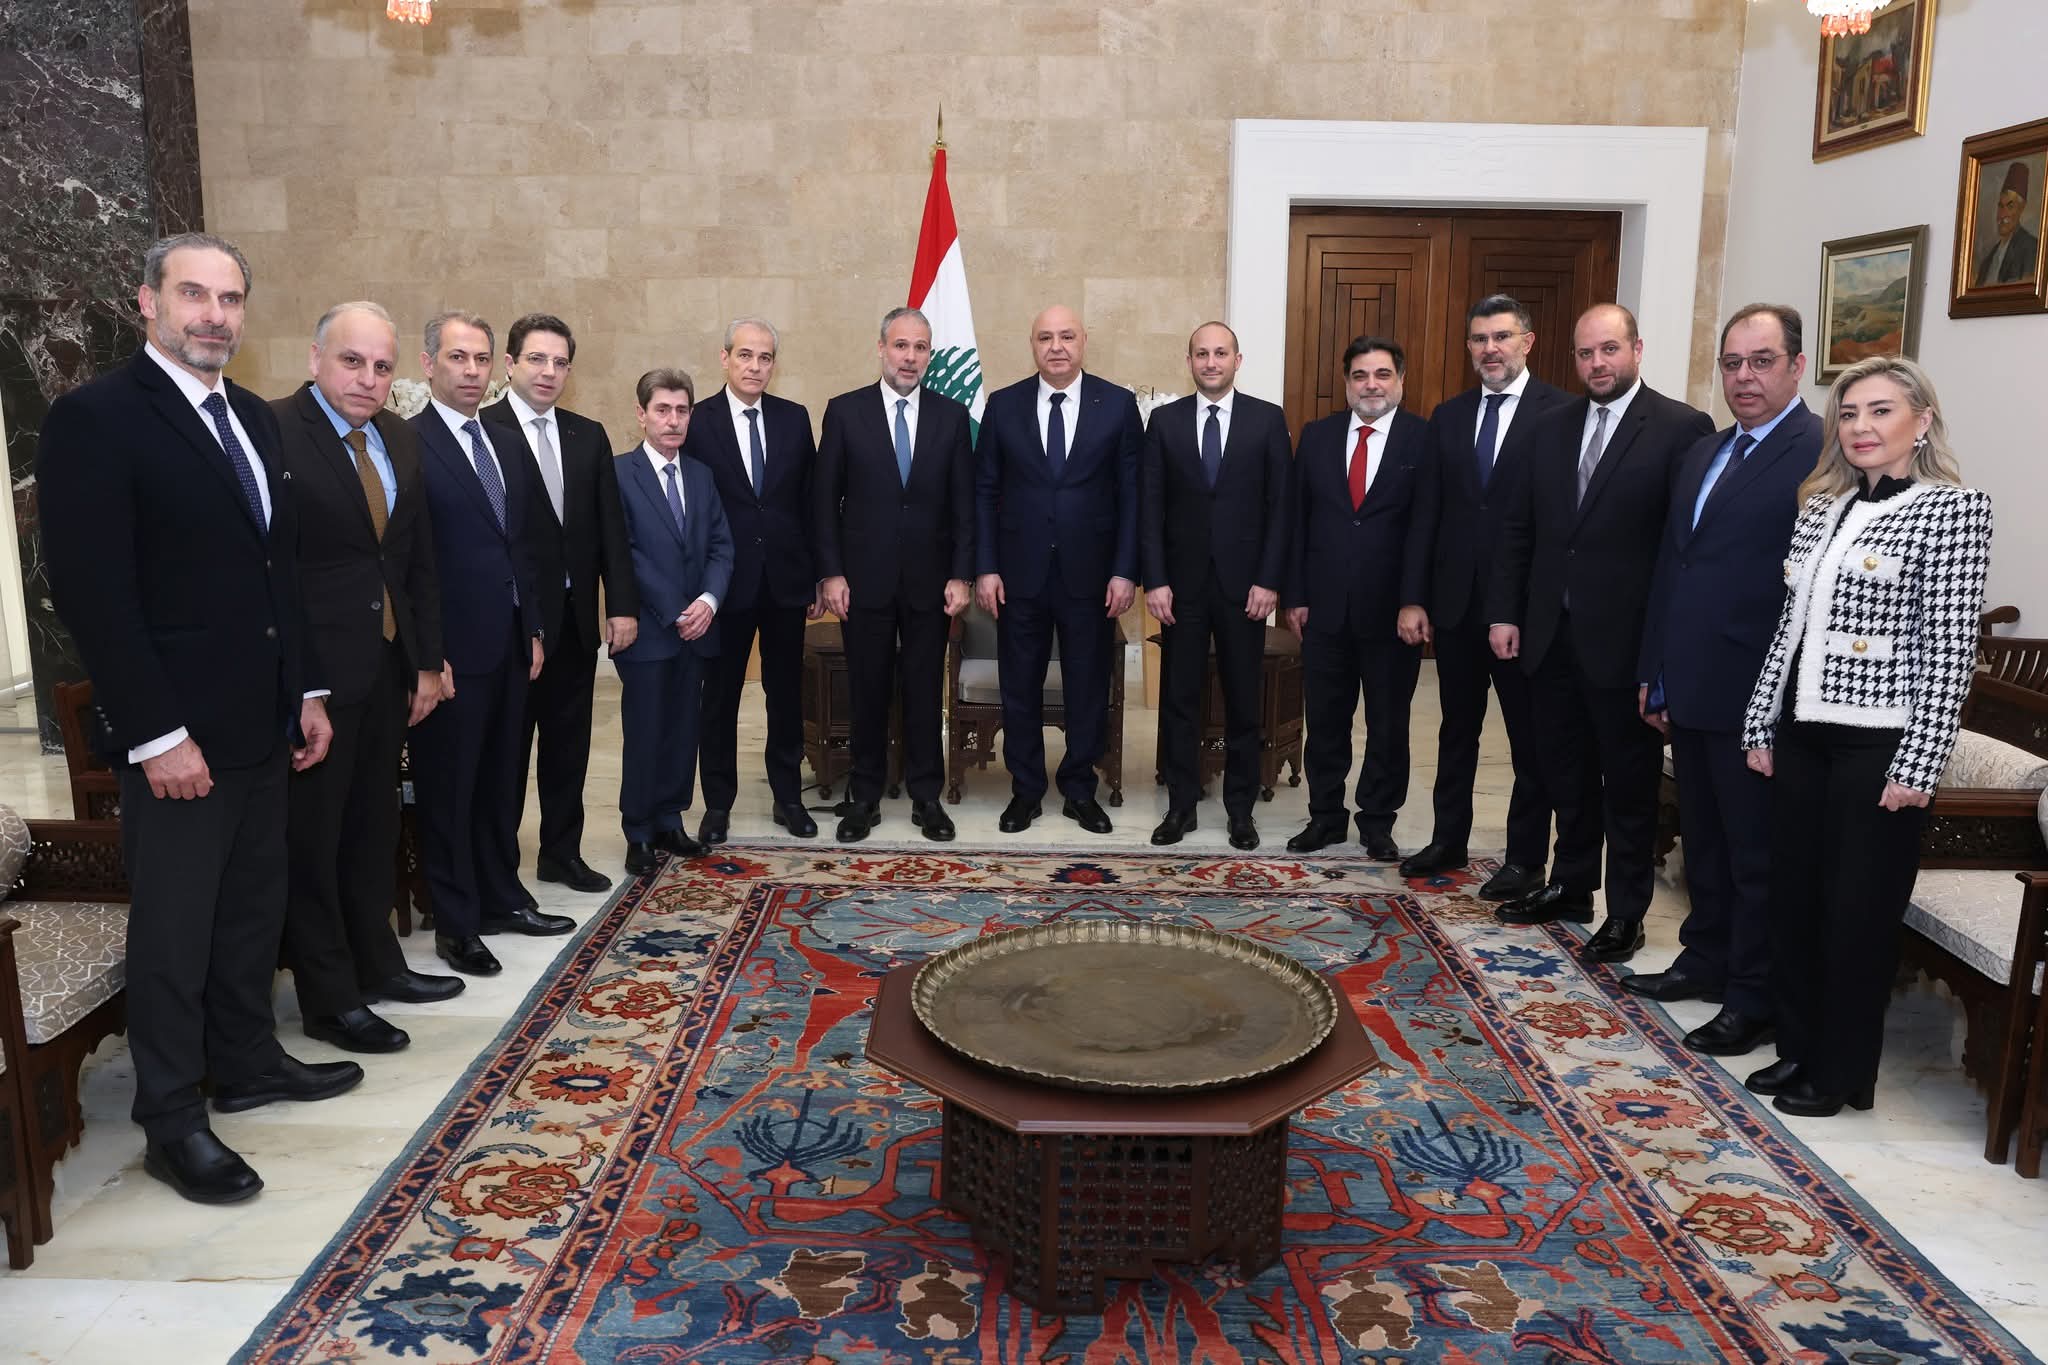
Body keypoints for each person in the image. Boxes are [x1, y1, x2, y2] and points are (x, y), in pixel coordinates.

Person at [38, 232, 358, 1205]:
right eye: (193, 295)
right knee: (175, 934)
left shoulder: (252, 417)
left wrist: (305, 690)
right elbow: (95, 594)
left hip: (264, 720)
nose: (214, 316)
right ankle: (173, 1119)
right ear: (148, 301)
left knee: (251, 910)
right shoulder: (96, 418)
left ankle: (248, 1061)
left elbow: (277, 571)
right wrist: (155, 734)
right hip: (177, 735)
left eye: (229, 299)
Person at [1742, 356, 1992, 1117]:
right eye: (1848, 414)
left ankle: (1842, 1070)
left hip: (1878, 742)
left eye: (1881, 411)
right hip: (1803, 731)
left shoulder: (1953, 510)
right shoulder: (1822, 506)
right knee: (1795, 901)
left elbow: (1950, 653)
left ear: (1921, 421)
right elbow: (1789, 629)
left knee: (1856, 912)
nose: (1861, 427)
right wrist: (1761, 719)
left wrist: (1920, 761)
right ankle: (1799, 1047)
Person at [1488, 304, 1713, 963]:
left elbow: (1681, 549)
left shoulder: (1680, 428)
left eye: (1609, 349)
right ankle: (1571, 884)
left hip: (1627, 643)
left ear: (1636, 350)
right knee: (1566, 773)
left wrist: (1664, 654)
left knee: (1630, 786)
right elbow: (1520, 528)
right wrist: (1506, 612)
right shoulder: (1551, 427)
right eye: (1586, 353)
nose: (1597, 363)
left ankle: (1626, 912)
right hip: (1550, 636)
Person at [1626, 304, 1822, 1058]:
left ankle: (1752, 995)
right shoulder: (1706, 450)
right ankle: (1705, 958)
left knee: (1754, 852)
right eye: (1732, 362)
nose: (1744, 377)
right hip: (1690, 680)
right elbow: (1672, 565)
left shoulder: (1820, 451)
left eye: (1761, 361)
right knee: (1703, 840)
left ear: (1796, 366)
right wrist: (1654, 670)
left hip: (1758, 691)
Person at [272, 301, 464, 1056]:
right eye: (352, 361)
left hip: (387, 669)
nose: (368, 378)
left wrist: (426, 659)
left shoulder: (397, 437)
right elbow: (274, 572)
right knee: (315, 841)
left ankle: (378, 964)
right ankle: (330, 999)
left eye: (382, 366)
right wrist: (300, 684)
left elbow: (415, 561)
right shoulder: (275, 431)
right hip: (316, 680)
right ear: (316, 358)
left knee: (373, 827)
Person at [407, 310, 563, 978]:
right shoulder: (407, 442)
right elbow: (408, 561)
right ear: (428, 364)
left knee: (502, 780)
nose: (470, 371)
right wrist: (426, 653)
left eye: (479, 359)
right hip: (450, 655)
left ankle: (503, 897)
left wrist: (533, 627)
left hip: (509, 643)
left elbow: (522, 544)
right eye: (457, 357)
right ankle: (457, 922)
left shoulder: (502, 439)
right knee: (450, 789)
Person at [1398, 296, 1565, 899]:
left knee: (1528, 741)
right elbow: (1427, 514)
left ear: (1528, 341)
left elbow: (1556, 525)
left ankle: (1524, 860)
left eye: (1501, 337)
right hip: (1456, 606)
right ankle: (1449, 839)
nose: (1489, 349)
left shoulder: (1561, 414)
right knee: (1455, 732)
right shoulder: (1449, 415)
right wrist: (1414, 598)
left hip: (1523, 612)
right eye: (1478, 339)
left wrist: (1523, 608)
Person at [483, 313, 639, 894]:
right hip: (512, 627)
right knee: (508, 754)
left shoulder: (586, 435)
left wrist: (621, 605)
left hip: (574, 624)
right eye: (537, 359)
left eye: (560, 362)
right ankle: (499, 869)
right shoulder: (483, 429)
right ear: (510, 364)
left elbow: (610, 531)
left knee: (568, 747)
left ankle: (561, 854)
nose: (549, 372)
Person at [974, 305, 1142, 835]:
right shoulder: (1003, 405)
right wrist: (986, 566)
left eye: (1066, 336)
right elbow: (985, 491)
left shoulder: (1118, 405)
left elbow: (1133, 496)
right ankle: (1025, 790)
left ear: (1083, 341)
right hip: (1018, 575)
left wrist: (1124, 570)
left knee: (1087, 686)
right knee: (1019, 684)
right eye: (1045, 337)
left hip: (1091, 577)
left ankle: (1078, 788)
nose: (1057, 347)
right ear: (1033, 345)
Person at [814, 307, 975, 842]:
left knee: (925, 690)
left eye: (920, 347)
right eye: (901, 345)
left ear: (930, 355)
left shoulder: (952, 416)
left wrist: (961, 574)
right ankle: (864, 796)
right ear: (881, 348)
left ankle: (927, 796)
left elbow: (964, 505)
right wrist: (831, 573)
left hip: (932, 583)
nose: (910, 357)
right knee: (867, 689)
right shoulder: (845, 412)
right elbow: (823, 502)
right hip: (863, 582)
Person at [1141, 321, 1291, 851]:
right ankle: (1181, 806)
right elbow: (1150, 507)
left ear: (1237, 360)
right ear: (1189, 362)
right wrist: (1155, 580)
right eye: (1201, 353)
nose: (1210, 362)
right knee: (1179, 698)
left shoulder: (1267, 420)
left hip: (1244, 588)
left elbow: (1281, 508)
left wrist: (1269, 580)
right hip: (1180, 589)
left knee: (1243, 700)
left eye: (1220, 353)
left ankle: (1240, 810)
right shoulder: (1164, 422)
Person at [1281, 336, 1425, 858]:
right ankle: (1325, 817)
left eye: (1382, 374)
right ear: (1346, 383)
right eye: (1360, 375)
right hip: (1324, 609)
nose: (1371, 385)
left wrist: (1415, 600)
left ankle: (1378, 821)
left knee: (1388, 724)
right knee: (1325, 721)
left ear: (1400, 381)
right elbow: (1297, 520)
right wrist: (1295, 595)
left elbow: (1427, 527)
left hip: (1392, 614)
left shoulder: (1422, 439)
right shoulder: (1318, 436)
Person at [682, 317, 821, 842]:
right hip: (723, 587)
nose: (755, 366)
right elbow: (689, 509)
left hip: (785, 582)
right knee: (719, 698)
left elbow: (808, 502)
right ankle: (718, 805)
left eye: (764, 358)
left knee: (785, 695)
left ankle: (788, 797)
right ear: (725, 359)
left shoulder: (794, 418)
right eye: (745, 355)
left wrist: (814, 576)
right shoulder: (698, 421)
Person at [613, 369, 733, 874]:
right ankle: (639, 831)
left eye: (682, 410)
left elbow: (721, 545)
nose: (673, 420)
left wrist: (707, 601)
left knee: (684, 730)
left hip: (697, 630)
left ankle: (670, 820)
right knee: (646, 731)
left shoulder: (702, 475)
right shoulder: (619, 473)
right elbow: (624, 553)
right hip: (648, 630)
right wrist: (675, 608)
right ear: (641, 414)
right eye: (662, 410)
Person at [1976, 161, 2040, 287]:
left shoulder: (2031, 248)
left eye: (2010, 206)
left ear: (2021, 208)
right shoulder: (1987, 262)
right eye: (2000, 206)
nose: (2002, 215)